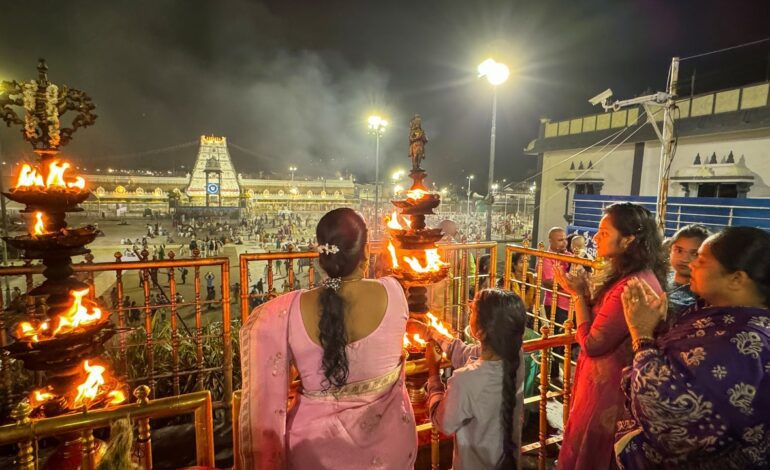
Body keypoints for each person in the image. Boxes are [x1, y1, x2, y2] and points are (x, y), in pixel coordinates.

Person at [238, 208, 417, 469]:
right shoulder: (394, 292)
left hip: (315, 454)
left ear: (320, 256)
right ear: (365, 251)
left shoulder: (287, 311)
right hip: (390, 452)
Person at [616, 226, 770, 468]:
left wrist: (642, 335)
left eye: (701, 258)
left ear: (736, 279)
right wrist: (659, 325)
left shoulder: (742, 342)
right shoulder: (714, 312)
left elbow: (672, 417)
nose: (692, 264)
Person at [553, 202, 667, 470]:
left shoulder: (630, 285)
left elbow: (593, 344)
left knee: (594, 453)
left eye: (604, 233)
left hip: (608, 390)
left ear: (627, 240)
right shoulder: (630, 276)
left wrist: (579, 295)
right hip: (607, 382)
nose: (595, 237)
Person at [425, 288, 526, 470]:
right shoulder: (515, 357)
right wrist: (435, 334)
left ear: (481, 332)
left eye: (473, 310)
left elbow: (443, 422)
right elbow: (466, 353)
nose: (469, 309)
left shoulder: (466, 380)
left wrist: (433, 373)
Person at [665, 224, 710, 324]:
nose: (684, 259)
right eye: (679, 250)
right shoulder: (662, 278)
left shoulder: (703, 295)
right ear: (670, 250)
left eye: (694, 253)